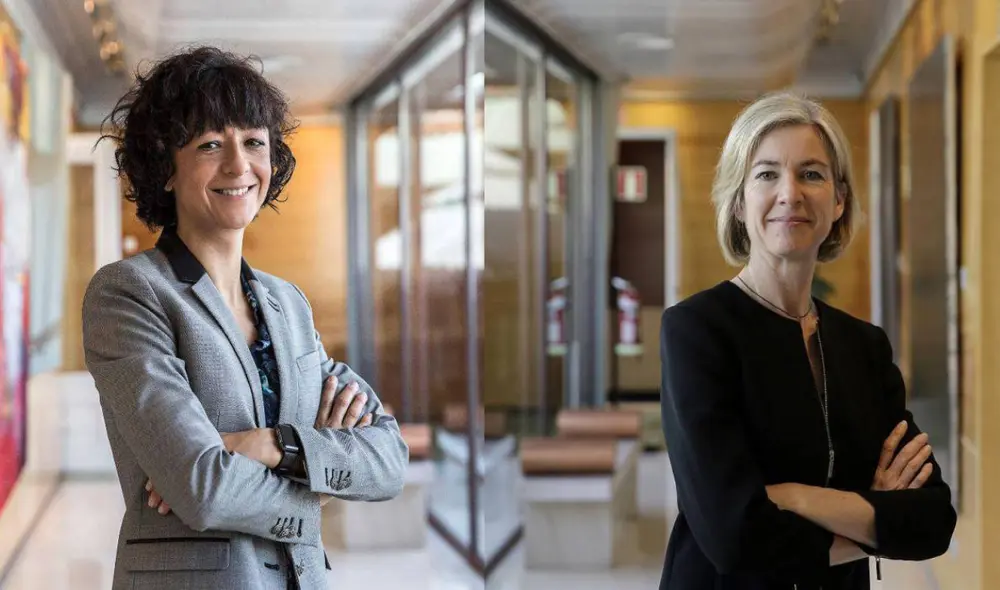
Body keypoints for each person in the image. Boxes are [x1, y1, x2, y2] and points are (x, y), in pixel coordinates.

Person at [82, 46, 408, 590]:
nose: (239, 166)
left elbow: (390, 459)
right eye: (210, 145)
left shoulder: (289, 304)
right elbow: (202, 487)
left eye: (254, 142)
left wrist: (275, 445)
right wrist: (319, 490)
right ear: (166, 168)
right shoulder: (129, 294)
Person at [658, 91, 957, 590]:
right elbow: (734, 538)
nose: (790, 193)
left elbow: (933, 520)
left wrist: (795, 497)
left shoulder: (865, 347)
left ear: (839, 200)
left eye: (812, 173)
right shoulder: (697, 331)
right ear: (738, 201)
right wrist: (873, 518)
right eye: (767, 173)